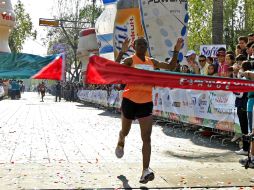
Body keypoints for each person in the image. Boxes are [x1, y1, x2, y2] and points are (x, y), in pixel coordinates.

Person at [115, 37, 184, 184]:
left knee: (146, 138)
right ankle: (121, 140)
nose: (141, 46)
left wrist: (176, 51)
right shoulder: (130, 60)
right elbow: (115, 68)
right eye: (138, 44)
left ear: (147, 46)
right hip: (129, 100)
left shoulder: (151, 61)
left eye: (144, 44)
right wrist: (122, 52)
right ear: (134, 46)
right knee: (125, 131)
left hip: (146, 102)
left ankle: (145, 171)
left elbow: (171, 67)